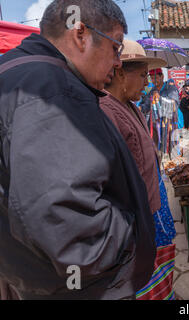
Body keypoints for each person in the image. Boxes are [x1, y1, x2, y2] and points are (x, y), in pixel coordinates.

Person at [0, 0, 157, 300]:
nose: (118, 62)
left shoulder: (20, 73)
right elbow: (67, 224)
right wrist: (130, 232)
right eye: (116, 47)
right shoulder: (51, 91)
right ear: (81, 34)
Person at [100, 39, 176, 300]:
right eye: (143, 75)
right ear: (120, 72)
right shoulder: (106, 111)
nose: (147, 82)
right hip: (136, 221)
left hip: (153, 208)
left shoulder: (131, 107)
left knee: (161, 276)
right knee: (144, 282)